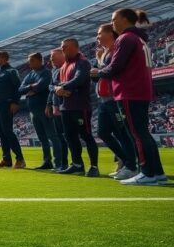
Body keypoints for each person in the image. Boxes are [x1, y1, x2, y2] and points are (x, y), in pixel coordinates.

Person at [94, 9, 167, 185]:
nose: (112, 23)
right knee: (142, 133)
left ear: (125, 19)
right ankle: (157, 173)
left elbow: (115, 67)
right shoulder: (139, 38)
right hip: (140, 90)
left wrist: (97, 72)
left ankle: (147, 173)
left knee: (137, 134)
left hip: (129, 90)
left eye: (114, 19)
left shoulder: (125, 38)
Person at [92, 23, 137, 180]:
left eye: (99, 33)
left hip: (115, 98)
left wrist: (99, 67)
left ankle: (131, 165)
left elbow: (113, 69)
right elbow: (98, 74)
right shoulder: (104, 52)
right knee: (103, 132)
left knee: (123, 132)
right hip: (104, 99)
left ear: (110, 34)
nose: (97, 37)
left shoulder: (116, 49)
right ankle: (126, 161)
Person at [55, 39, 99, 177]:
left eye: (65, 47)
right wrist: (58, 88)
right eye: (62, 48)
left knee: (86, 136)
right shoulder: (64, 65)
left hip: (80, 106)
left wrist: (62, 87)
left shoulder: (83, 62)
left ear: (74, 47)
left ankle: (94, 166)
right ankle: (77, 165)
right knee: (70, 137)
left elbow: (79, 79)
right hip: (65, 107)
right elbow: (52, 84)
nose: (62, 50)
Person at [19, 53, 63, 170]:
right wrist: (31, 87)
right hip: (33, 111)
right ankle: (47, 161)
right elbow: (20, 90)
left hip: (44, 109)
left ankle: (58, 163)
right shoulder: (30, 74)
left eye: (32, 60)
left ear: (40, 60)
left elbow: (41, 86)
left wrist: (31, 88)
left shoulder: (46, 72)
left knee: (52, 137)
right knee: (42, 138)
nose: (29, 63)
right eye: (29, 61)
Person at [46, 49, 69, 172]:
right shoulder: (54, 70)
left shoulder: (67, 67)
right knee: (60, 137)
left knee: (68, 137)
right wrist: (49, 104)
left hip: (66, 106)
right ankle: (63, 164)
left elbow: (62, 85)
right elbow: (50, 87)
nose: (51, 59)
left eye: (53, 57)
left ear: (62, 55)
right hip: (56, 107)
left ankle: (75, 163)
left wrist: (55, 87)